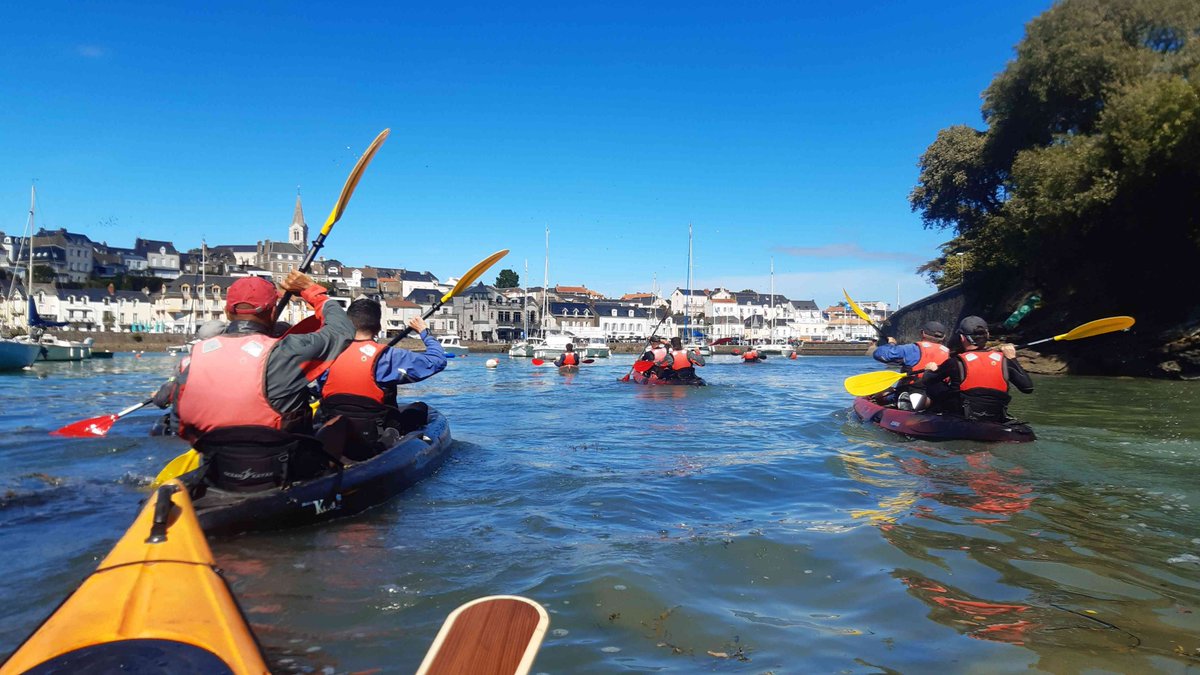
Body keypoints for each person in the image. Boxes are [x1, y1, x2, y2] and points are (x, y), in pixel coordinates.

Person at [152, 272, 355, 492]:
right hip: (285, 472)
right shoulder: (288, 351)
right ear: (272, 313)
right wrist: (311, 290)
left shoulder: (193, 359)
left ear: (227, 312)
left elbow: (179, 426)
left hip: (220, 473)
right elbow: (342, 330)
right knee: (337, 424)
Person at [318, 299, 447, 459]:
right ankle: (392, 439)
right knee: (420, 408)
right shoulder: (388, 356)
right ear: (378, 328)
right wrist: (424, 331)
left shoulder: (328, 353)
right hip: (373, 435)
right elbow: (438, 361)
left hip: (332, 427)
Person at [919, 316, 1033, 421]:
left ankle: (931, 414)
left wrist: (930, 370)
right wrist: (1012, 359)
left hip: (961, 415)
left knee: (935, 384)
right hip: (996, 416)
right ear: (987, 335)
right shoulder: (1004, 361)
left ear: (962, 338)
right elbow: (1028, 388)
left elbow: (927, 380)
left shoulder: (956, 362)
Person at [868, 321, 950, 411]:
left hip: (912, 391)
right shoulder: (950, 353)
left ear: (922, 333)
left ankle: (905, 402)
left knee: (881, 394)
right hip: (939, 394)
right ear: (943, 337)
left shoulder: (912, 349)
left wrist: (891, 344)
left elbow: (879, 354)